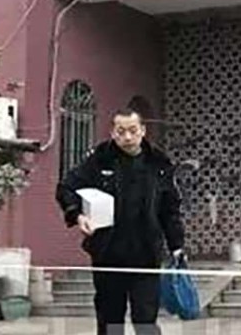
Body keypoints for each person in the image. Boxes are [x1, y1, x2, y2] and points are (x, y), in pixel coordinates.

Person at [56, 100, 185, 335]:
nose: (127, 137)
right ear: (112, 132)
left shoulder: (159, 163)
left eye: (133, 130)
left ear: (143, 131)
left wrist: (177, 247)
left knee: (145, 322)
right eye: (121, 131)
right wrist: (77, 216)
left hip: (146, 256)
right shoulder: (99, 159)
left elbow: (170, 210)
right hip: (108, 254)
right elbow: (66, 187)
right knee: (110, 321)